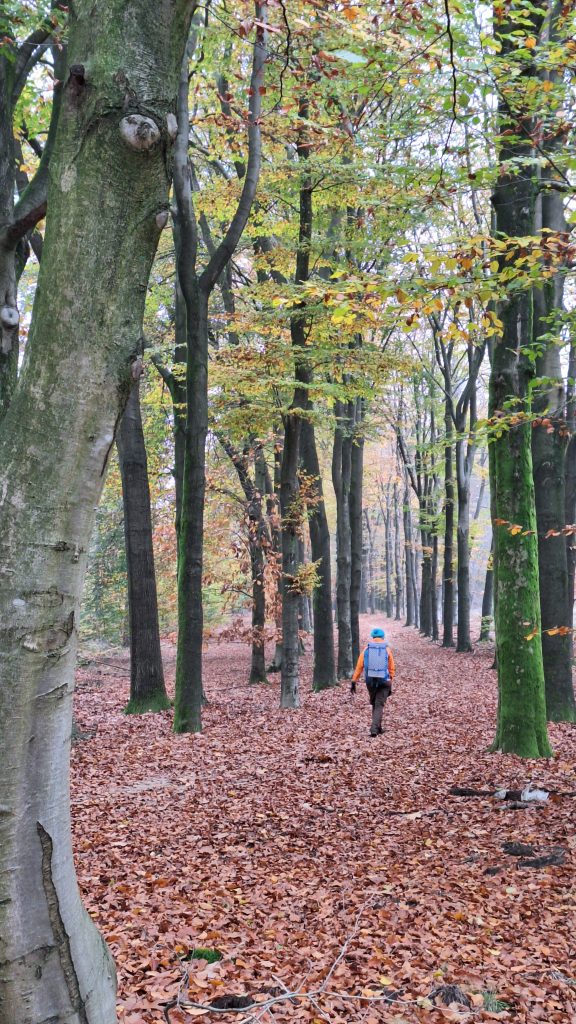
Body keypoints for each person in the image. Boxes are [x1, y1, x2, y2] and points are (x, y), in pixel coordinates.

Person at [350, 627, 395, 737]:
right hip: (384, 681)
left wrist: (353, 681)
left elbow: (359, 667)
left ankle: (377, 727)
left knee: (375, 703)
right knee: (379, 704)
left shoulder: (366, 649)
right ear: (383, 637)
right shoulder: (387, 649)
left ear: (373, 637)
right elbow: (391, 668)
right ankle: (374, 729)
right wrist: (390, 680)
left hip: (370, 681)